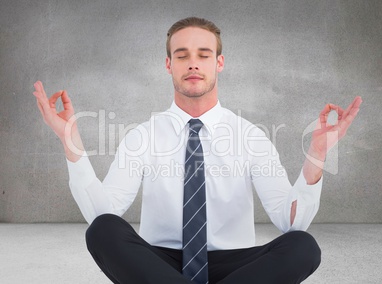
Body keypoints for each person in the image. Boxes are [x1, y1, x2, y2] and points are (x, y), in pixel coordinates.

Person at [33, 17, 362, 284]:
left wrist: (317, 153)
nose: (193, 64)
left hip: (236, 266)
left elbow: (291, 222)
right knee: (103, 230)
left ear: (219, 62)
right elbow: (102, 211)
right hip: (158, 264)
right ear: (168, 64)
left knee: (302, 246)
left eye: (204, 54)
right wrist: (70, 141)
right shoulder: (141, 136)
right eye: (182, 55)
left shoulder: (251, 137)